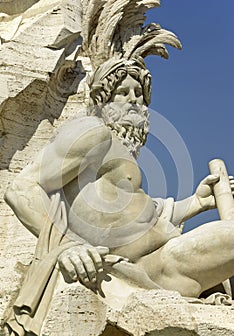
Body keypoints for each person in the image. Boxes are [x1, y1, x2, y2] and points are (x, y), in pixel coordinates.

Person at [4, 57, 234, 298]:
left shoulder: (120, 152)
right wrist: (64, 248)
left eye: (139, 94)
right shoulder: (92, 132)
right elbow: (22, 188)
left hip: (165, 258)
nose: (134, 100)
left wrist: (195, 203)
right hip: (148, 268)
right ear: (103, 100)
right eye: (123, 92)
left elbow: (136, 215)